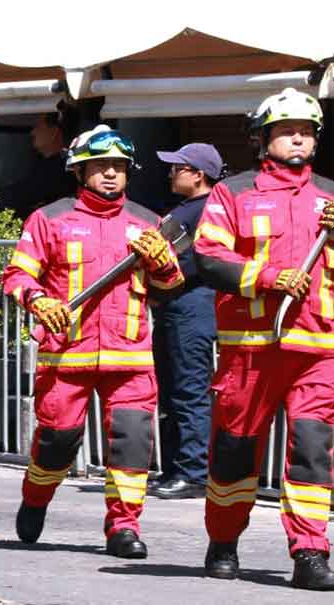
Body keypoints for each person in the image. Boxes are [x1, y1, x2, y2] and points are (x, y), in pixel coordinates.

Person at [1, 125, 183, 559]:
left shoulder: (148, 222)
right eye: (99, 167)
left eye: (118, 168)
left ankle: (124, 527)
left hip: (130, 355)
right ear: (79, 172)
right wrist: (39, 299)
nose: (109, 175)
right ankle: (37, 495)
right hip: (67, 354)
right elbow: (17, 275)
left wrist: (162, 265)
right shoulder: (49, 219)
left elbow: (171, 283)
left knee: (133, 441)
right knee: (56, 443)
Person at [193, 87, 334, 590]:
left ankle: (311, 551)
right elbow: (209, 258)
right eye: (286, 131)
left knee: (314, 450)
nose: (298, 138)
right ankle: (224, 540)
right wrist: (272, 276)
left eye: (306, 131)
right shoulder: (233, 193)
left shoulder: (329, 197)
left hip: (316, 348)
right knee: (235, 451)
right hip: (249, 349)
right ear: (263, 139)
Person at [147, 143, 223, 500]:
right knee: (171, 389)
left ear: (198, 174)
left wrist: (162, 267)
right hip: (173, 305)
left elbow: (202, 260)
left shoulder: (209, 209)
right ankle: (174, 469)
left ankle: (193, 473)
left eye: (178, 168)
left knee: (189, 388)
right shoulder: (184, 208)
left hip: (192, 305)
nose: (171, 173)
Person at [2, 111, 78, 221]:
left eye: (38, 126)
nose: (33, 132)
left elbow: (24, 194)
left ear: (54, 132)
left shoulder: (61, 167)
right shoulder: (47, 163)